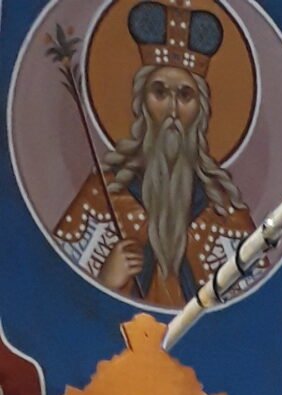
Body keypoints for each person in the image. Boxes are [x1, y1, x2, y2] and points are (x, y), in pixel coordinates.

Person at [54, 5, 254, 309]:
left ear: (200, 111)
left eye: (184, 95)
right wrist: (105, 279)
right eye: (160, 93)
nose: (172, 109)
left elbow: (255, 309)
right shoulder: (102, 198)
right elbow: (54, 300)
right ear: (142, 104)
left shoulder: (225, 213)